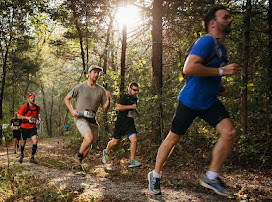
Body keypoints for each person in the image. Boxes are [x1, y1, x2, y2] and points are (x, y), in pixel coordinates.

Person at [148, 6, 239, 196]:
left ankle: (211, 176)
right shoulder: (206, 41)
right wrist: (222, 71)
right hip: (190, 101)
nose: (230, 20)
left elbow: (205, 72)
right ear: (213, 23)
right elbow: (189, 68)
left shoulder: (220, 48)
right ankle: (155, 175)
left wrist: (218, 86)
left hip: (209, 101)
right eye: (226, 17)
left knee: (229, 132)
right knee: (173, 138)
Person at [64, 65, 111, 172]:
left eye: (98, 73)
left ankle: (78, 165)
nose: (96, 74)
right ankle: (78, 157)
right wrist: (72, 111)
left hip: (93, 120)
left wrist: (108, 99)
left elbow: (105, 108)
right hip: (80, 117)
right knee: (88, 138)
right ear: (88, 74)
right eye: (94, 72)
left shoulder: (101, 90)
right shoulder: (80, 87)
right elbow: (67, 99)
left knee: (88, 146)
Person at [102, 82, 141, 168]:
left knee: (134, 140)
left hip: (129, 123)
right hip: (120, 123)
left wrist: (136, 113)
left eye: (137, 90)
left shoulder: (135, 99)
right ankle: (106, 152)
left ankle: (132, 161)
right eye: (134, 90)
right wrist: (131, 107)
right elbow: (118, 107)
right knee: (115, 142)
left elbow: (132, 110)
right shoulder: (125, 97)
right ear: (130, 89)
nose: (136, 92)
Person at [17, 93, 41, 164]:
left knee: (35, 141)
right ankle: (21, 154)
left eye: (33, 98)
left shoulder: (37, 107)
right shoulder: (24, 107)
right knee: (23, 142)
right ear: (28, 99)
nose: (33, 99)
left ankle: (32, 157)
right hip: (25, 127)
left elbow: (38, 116)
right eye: (31, 98)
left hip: (33, 127)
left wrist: (38, 121)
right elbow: (18, 116)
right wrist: (26, 117)